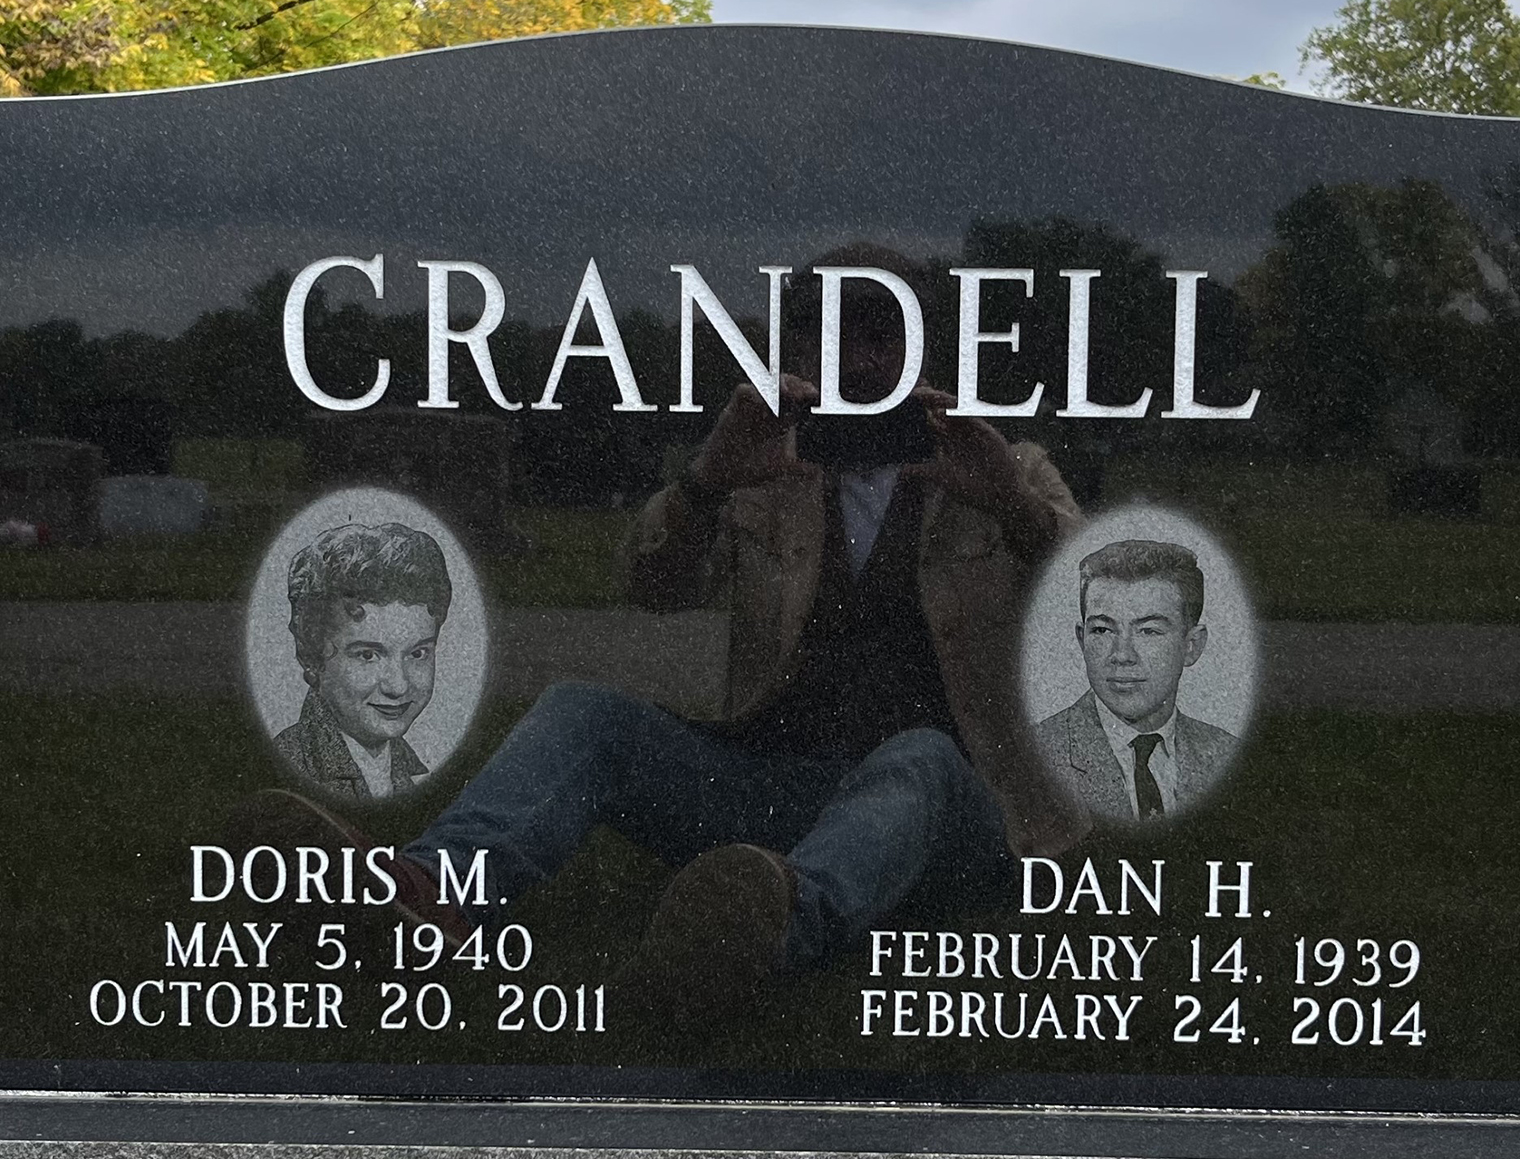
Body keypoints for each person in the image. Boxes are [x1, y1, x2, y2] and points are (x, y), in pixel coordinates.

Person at [248, 245, 1091, 1013]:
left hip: (957, 813)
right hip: (782, 786)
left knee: (918, 756)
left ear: (922, 349)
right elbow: (650, 587)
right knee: (587, 713)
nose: (866, 360)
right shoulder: (770, 474)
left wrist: (1008, 502)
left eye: (886, 335)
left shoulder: (1006, 468)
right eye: (840, 335)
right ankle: (429, 899)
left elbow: (1089, 611)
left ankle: (772, 930)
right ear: (799, 352)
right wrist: (707, 482)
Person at [1032, 539, 1239, 825]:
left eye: (1149, 631)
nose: (1122, 655)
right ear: (1082, 639)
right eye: (1103, 630)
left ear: (1192, 645)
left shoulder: (1227, 755)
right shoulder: (1034, 755)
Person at [273, 522, 451, 801]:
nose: (398, 686)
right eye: (368, 655)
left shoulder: (409, 770)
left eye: (417, 654)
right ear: (312, 657)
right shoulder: (288, 768)